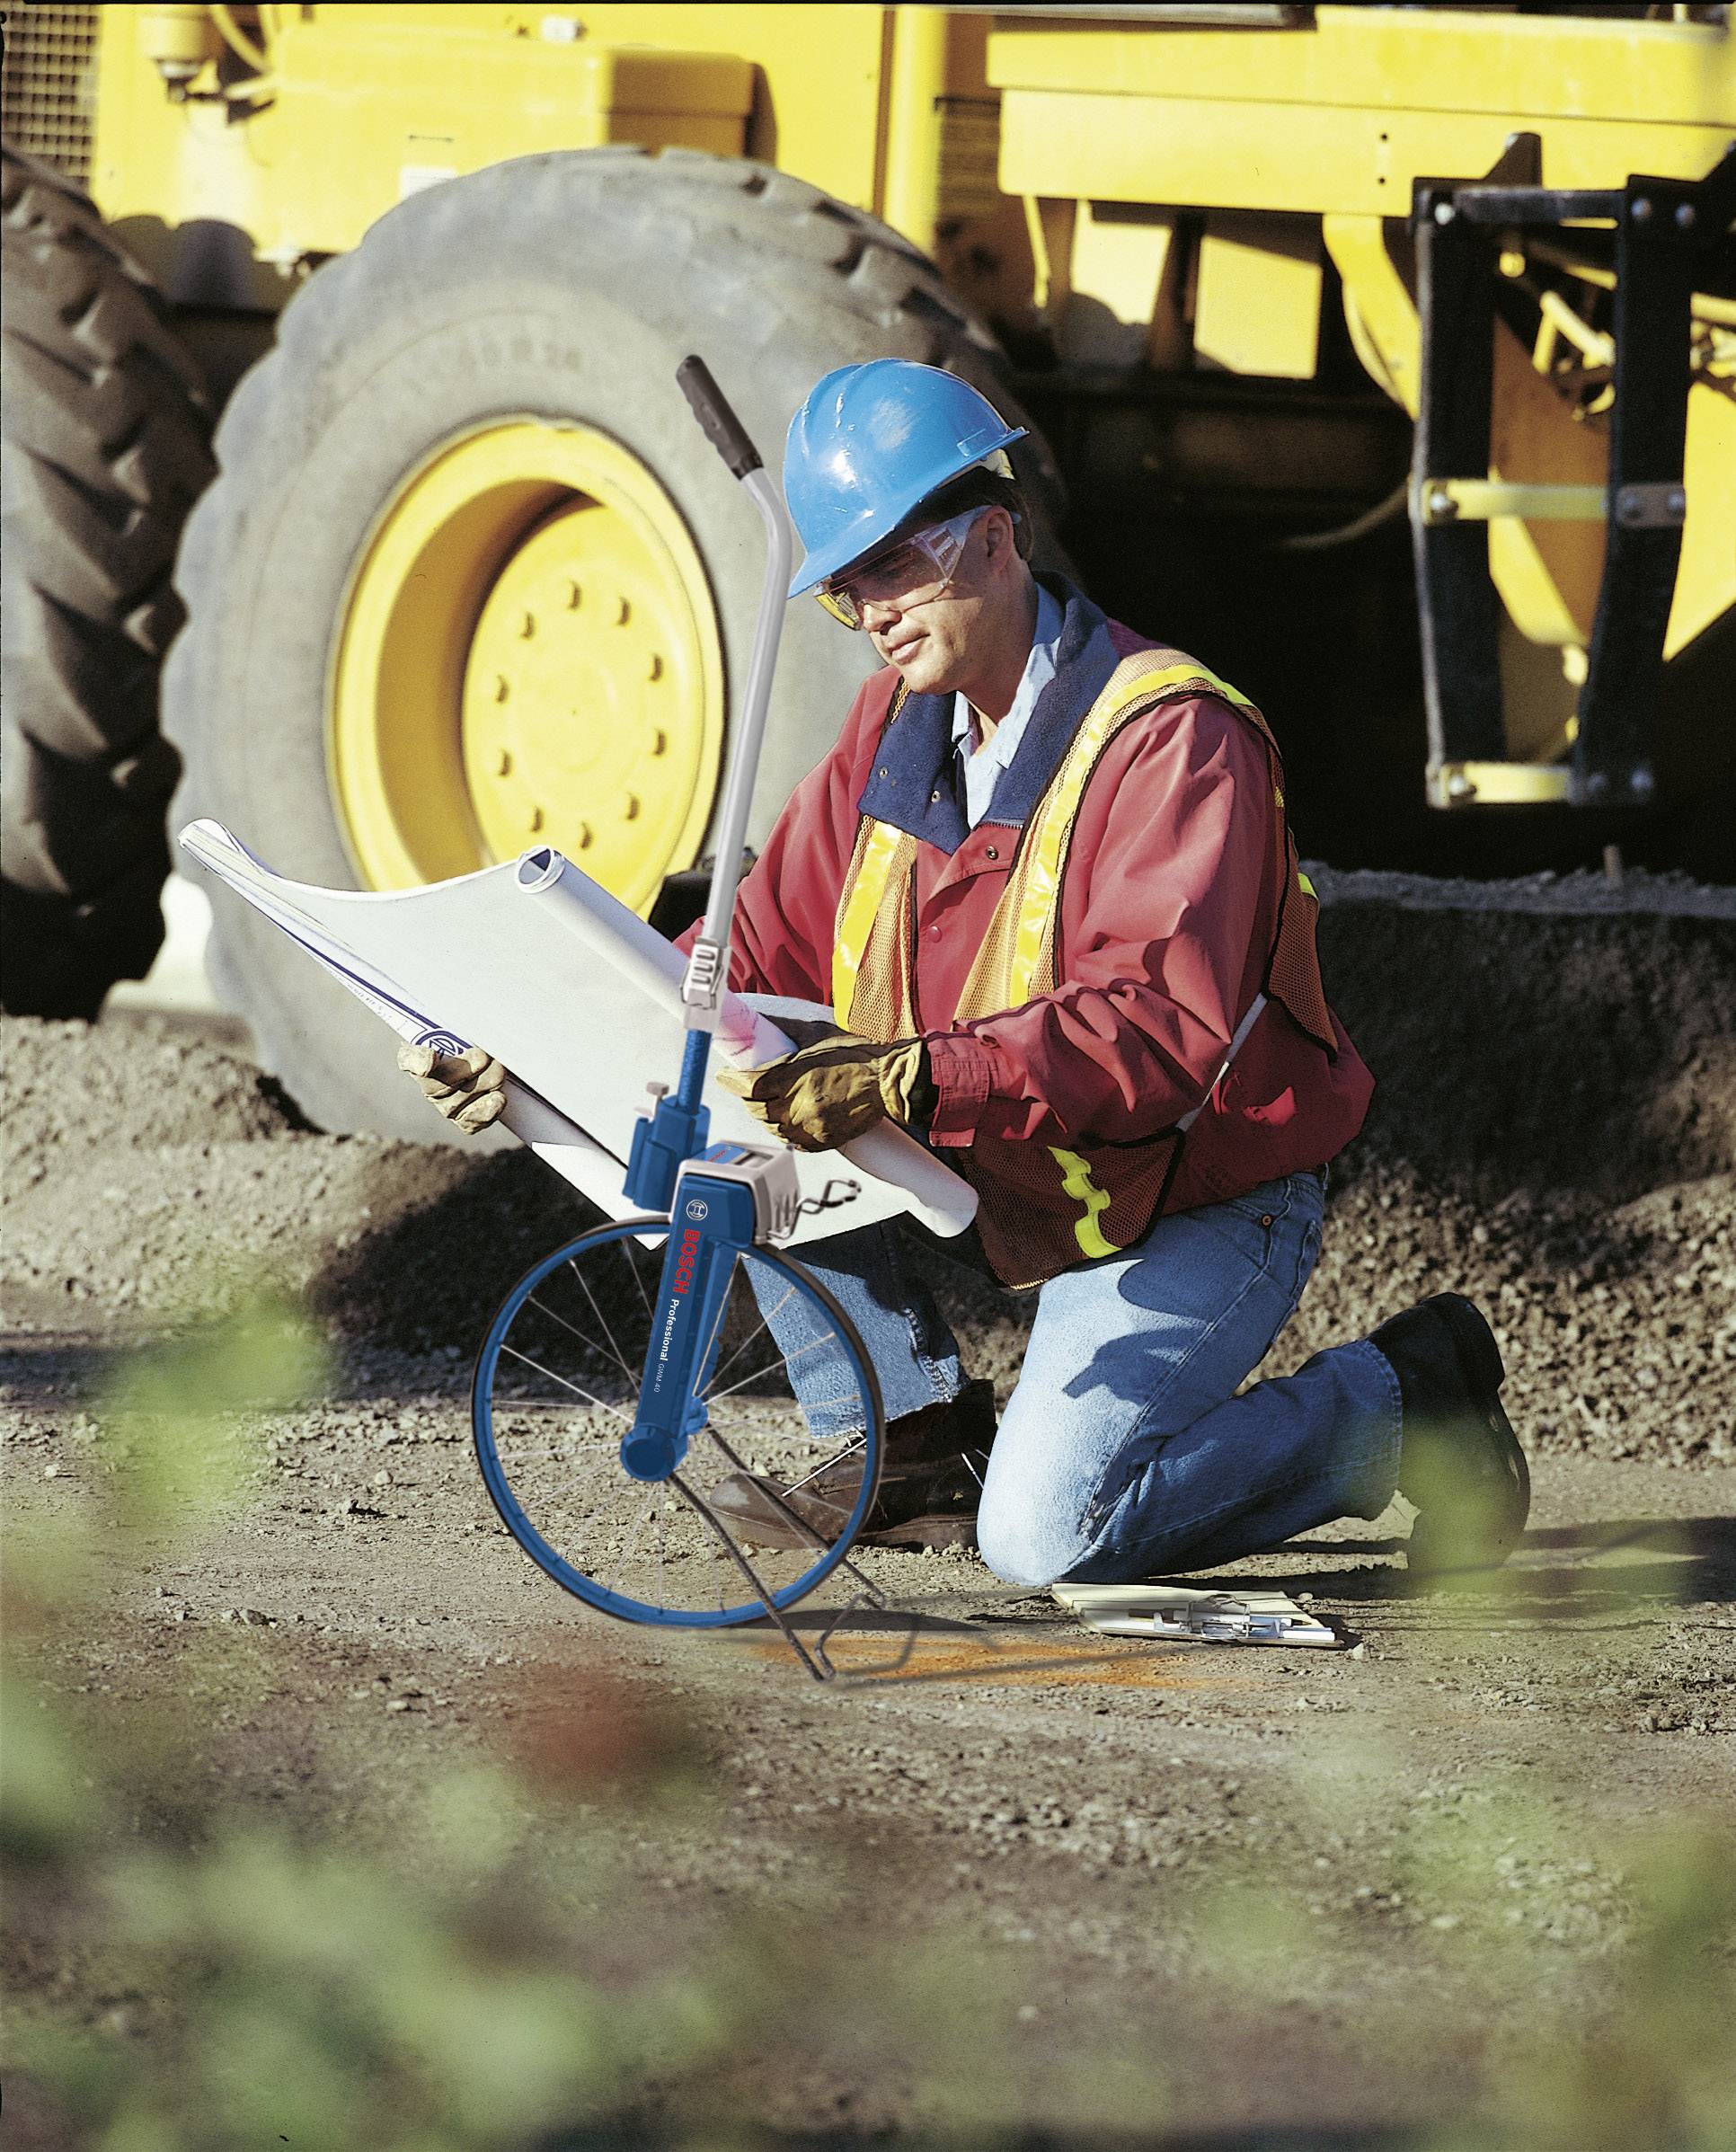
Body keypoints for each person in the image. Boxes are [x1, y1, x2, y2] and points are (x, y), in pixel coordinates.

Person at [403, 359, 1528, 1585]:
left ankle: (1399, 1401)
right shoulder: (895, 737)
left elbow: (1154, 1033)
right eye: (846, 589)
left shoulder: (1172, 740)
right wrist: (535, 1047)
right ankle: (908, 1442)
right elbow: (749, 971)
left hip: (1196, 1192)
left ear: (996, 538)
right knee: (742, 1091)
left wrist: (908, 1079)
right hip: (1020, 1172)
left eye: (891, 566)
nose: (871, 611)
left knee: (1048, 1540)